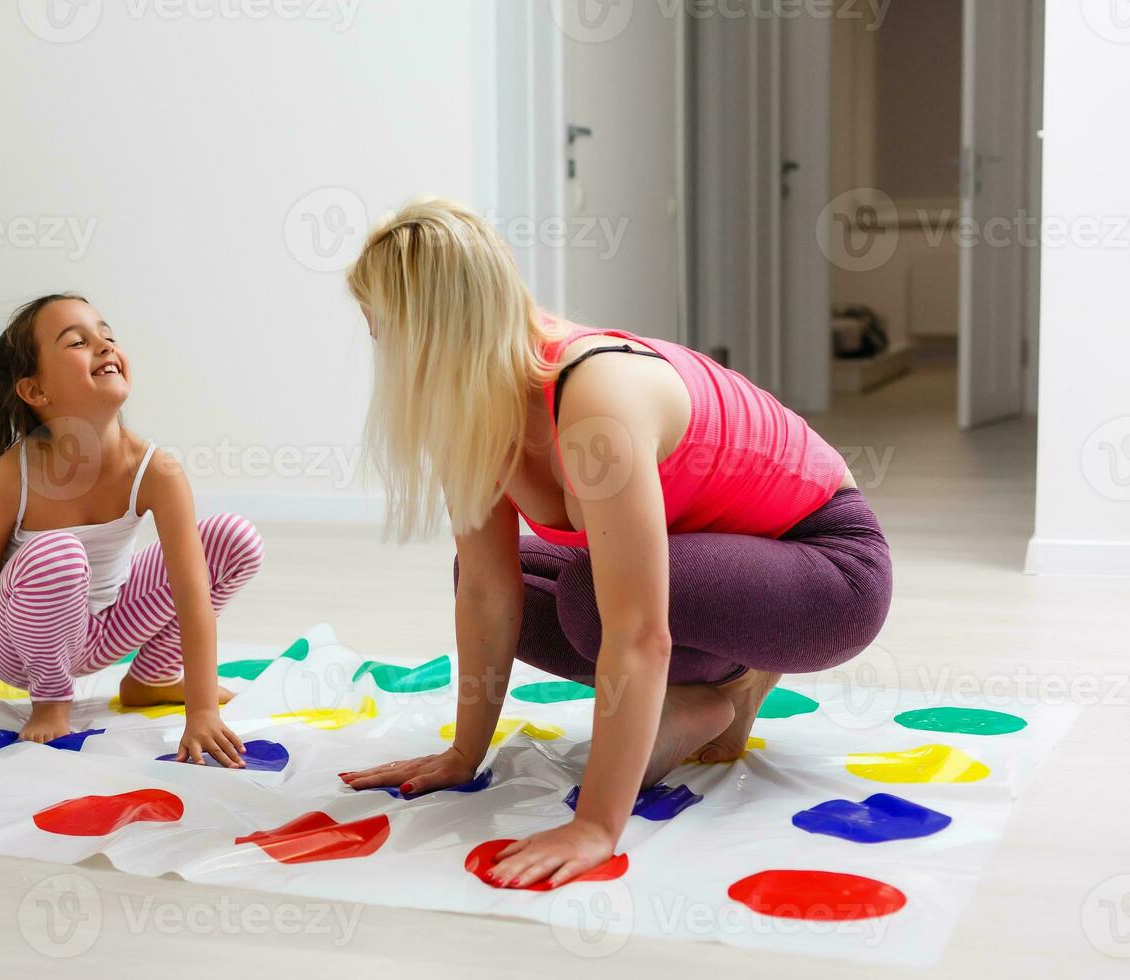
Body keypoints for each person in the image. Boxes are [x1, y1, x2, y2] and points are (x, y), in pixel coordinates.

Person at [339, 200, 891, 886]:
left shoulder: (592, 392)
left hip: (830, 574)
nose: (382, 356)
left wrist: (596, 825)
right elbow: (487, 588)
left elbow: (637, 629)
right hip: (718, 562)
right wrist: (462, 755)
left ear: (429, 334)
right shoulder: (472, 408)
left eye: (381, 334)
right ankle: (707, 696)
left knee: (593, 602)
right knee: (512, 585)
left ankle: (725, 682)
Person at [0, 294, 262, 765]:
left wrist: (200, 712)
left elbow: (191, 593)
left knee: (234, 538)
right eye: (78, 341)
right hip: (16, 644)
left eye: (108, 335)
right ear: (35, 391)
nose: (105, 346)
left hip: (103, 629)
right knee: (60, 553)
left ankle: (150, 679)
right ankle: (51, 700)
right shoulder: (12, 477)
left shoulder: (158, 471)